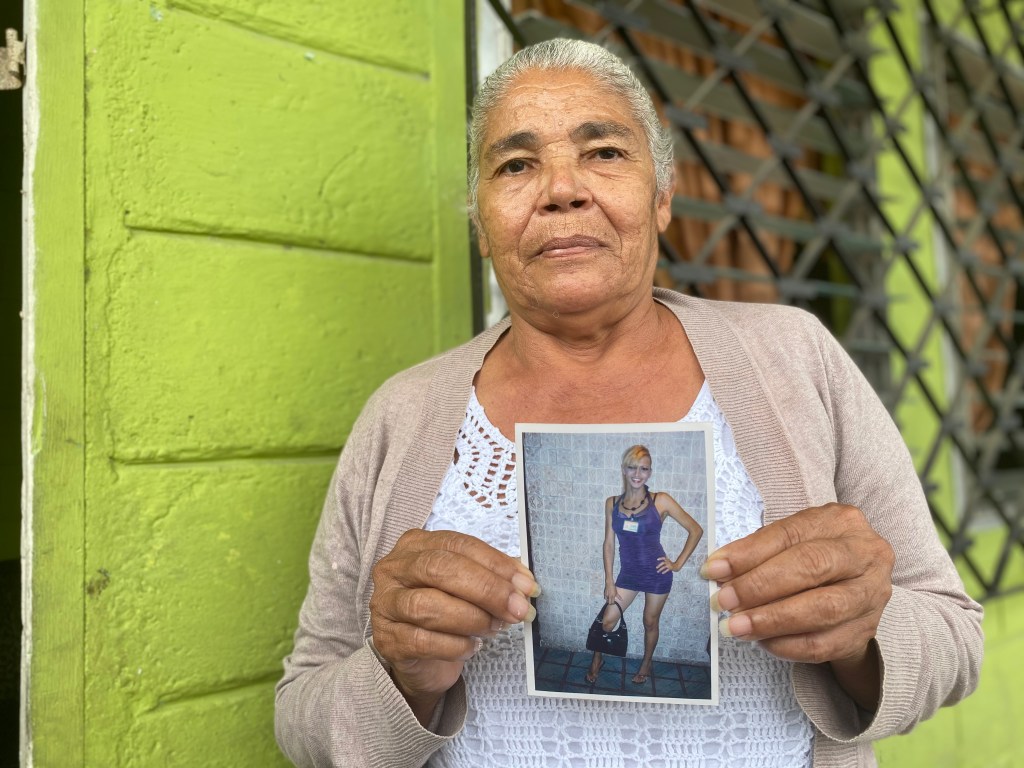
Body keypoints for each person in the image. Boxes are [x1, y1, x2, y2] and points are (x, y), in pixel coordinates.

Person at [274, 38, 983, 767]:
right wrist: (400, 674)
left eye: (604, 152)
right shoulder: (402, 416)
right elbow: (303, 713)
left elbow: (955, 637)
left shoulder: (795, 359)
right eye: (516, 164)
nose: (562, 188)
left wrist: (861, 634)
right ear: (481, 225)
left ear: (663, 197)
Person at [586, 444, 703, 685]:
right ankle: (598, 657)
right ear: (623, 470)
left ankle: (646, 663)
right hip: (628, 575)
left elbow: (695, 530)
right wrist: (609, 580)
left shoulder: (661, 501)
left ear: (649, 472)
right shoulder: (612, 503)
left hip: (656, 574)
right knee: (607, 620)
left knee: (650, 621)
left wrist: (678, 564)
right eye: (632, 467)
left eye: (644, 469)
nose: (637, 474)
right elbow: (608, 544)